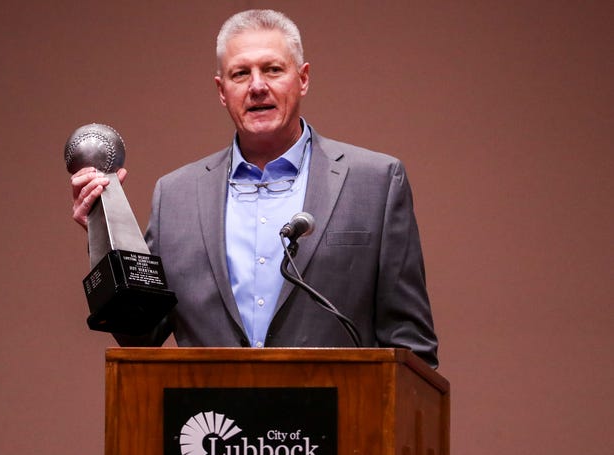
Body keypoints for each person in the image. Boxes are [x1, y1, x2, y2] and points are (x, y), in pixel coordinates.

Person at [71, 9, 439, 368]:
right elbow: (140, 334)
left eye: (273, 69)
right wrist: (104, 233)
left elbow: (412, 350)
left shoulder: (374, 183)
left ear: (303, 78)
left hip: (339, 422)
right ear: (221, 90)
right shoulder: (176, 196)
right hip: (214, 424)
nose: (257, 86)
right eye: (241, 74)